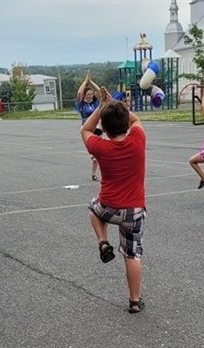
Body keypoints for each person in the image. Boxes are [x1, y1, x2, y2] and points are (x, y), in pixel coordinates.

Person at [80, 87, 147, 313]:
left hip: (108, 207)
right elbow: (135, 119)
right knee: (132, 254)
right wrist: (116, 105)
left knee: (92, 207)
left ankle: (102, 241)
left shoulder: (101, 146)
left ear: (105, 129)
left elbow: (85, 129)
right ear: (125, 124)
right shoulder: (138, 140)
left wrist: (101, 107)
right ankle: (135, 301)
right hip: (134, 211)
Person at [76, 71, 102, 181]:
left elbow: (100, 92)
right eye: (87, 94)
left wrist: (91, 82)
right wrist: (85, 81)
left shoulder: (96, 103)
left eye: (91, 94)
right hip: (86, 129)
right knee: (93, 153)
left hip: (96, 129)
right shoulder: (82, 104)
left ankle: (93, 173)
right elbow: (79, 93)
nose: (89, 96)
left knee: (98, 155)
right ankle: (92, 155)